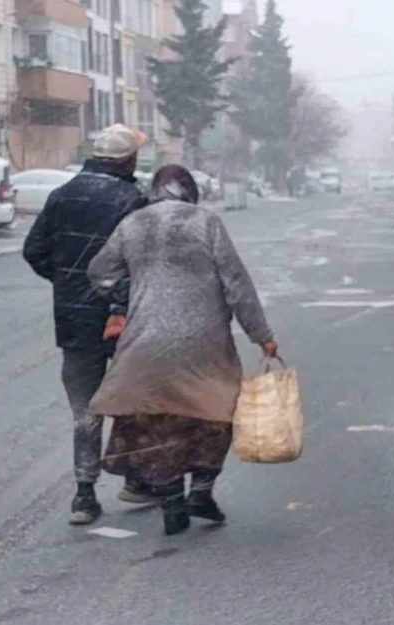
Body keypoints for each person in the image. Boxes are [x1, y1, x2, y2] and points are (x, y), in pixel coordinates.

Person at [86, 164, 278, 536]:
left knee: (158, 422)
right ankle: (201, 492)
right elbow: (235, 283)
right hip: (203, 342)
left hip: (145, 341)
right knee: (215, 414)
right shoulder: (206, 224)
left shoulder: (132, 224)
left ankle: (172, 500)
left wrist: (126, 294)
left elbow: (99, 271)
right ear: (191, 191)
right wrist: (261, 334)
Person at [22, 124, 151, 525]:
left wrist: (66, 281)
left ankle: (84, 494)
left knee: (85, 409)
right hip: (123, 320)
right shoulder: (132, 200)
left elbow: (34, 251)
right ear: (128, 159)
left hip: (75, 319)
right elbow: (141, 264)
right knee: (132, 400)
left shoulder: (60, 197)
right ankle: (135, 479)